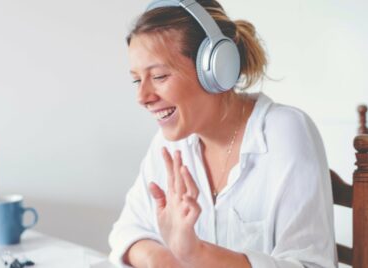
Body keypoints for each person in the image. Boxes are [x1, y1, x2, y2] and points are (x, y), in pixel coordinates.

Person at [108, 0, 336, 267]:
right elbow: (126, 232)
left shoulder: (284, 133)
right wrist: (164, 260)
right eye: (137, 80)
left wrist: (195, 253)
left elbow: (311, 265)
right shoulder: (170, 144)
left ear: (216, 69)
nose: (142, 97)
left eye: (158, 76)